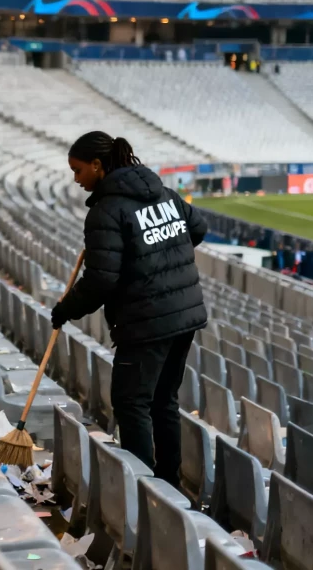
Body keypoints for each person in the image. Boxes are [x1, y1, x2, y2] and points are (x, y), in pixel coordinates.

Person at [50, 131, 207, 484]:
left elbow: (101, 280)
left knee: (131, 402)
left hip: (145, 320)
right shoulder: (165, 194)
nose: (76, 179)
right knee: (163, 400)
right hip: (185, 315)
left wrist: (66, 308)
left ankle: (143, 490)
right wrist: (160, 254)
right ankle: (168, 486)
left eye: (78, 170)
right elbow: (197, 228)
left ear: (97, 165)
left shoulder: (106, 211)